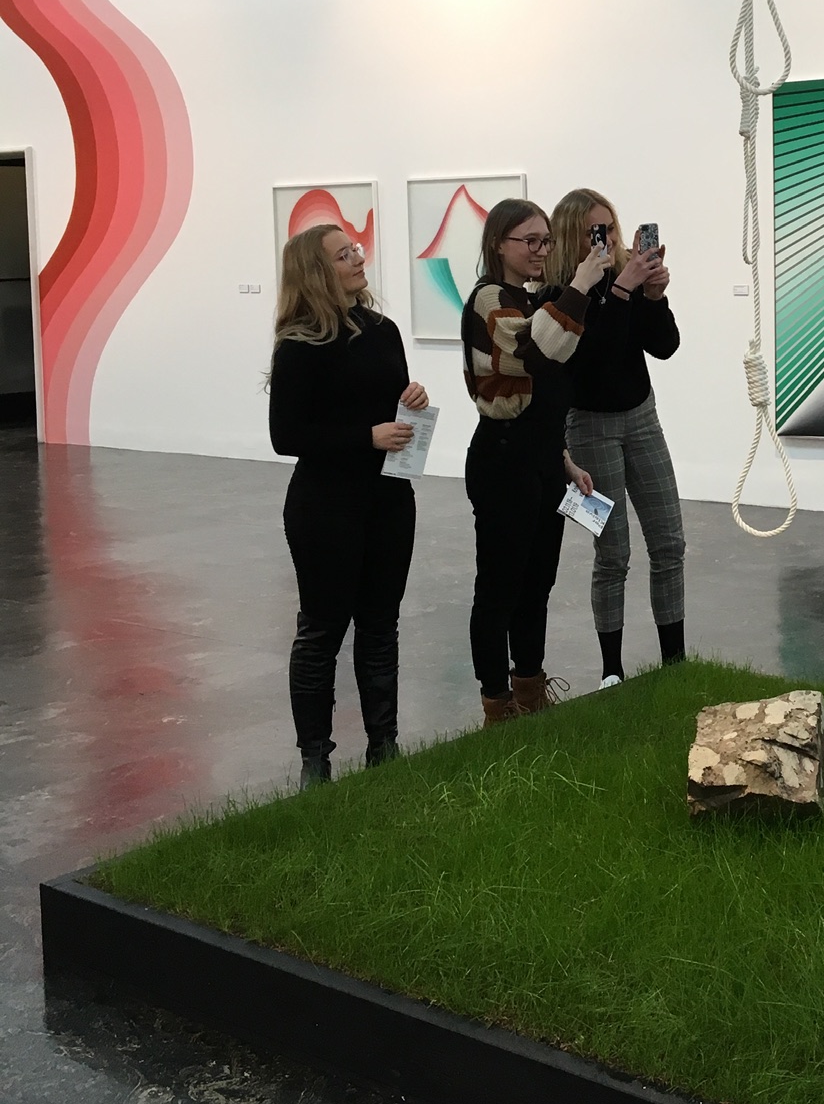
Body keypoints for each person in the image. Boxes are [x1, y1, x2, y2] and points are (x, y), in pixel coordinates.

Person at [268, 224, 431, 787]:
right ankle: (316, 759)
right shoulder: (299, 344)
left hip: (388, 500)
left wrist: (413, 401)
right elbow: (286, 436)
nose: (358, 259)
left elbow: (391, 408)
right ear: (317, 272)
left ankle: (384, 747)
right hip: (326, 508)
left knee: (381, 627)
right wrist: (367, 437)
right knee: (322, 631)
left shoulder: (383, 331)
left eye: (355, 250)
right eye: (344, 255)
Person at [462, 198, 606, 723]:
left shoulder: (528, 299)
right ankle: (496, 704)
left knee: (537, 583)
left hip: (541, 459)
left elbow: (545, 386)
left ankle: (529, 689)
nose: (541, 250)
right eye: (530, 241)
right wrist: (582, 283)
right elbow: (535, 353)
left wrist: (563, 460)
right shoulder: (490, 300)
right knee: (499, 587)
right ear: (498, 244)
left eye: (546, 240)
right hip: (503, 461)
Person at [547, 188, 685, 685]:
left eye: (609, 227)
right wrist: (623, 291)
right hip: (590, 425)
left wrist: (654, 297)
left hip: (641, 416)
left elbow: (664, 346)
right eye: (595, 231)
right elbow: (593, 360)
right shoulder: (563, 292)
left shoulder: (623, 276)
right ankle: (612, 672)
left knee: (669, 542)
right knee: (614, 554)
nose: (606, 239)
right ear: (573, 235)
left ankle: (675, 662)